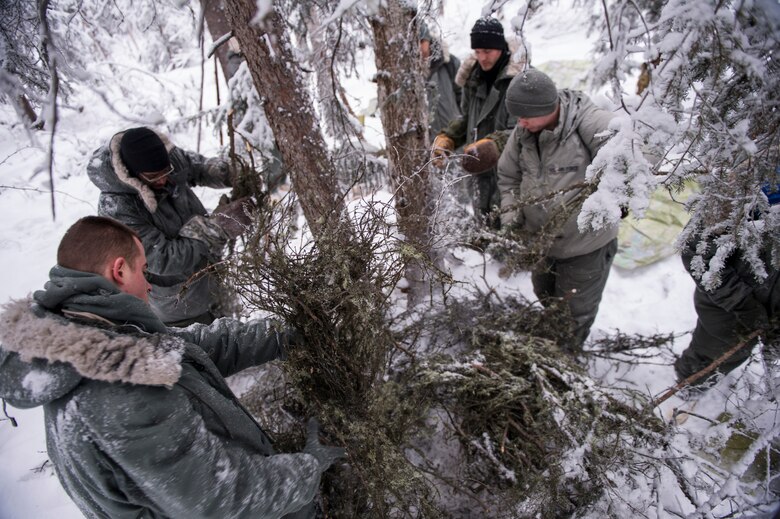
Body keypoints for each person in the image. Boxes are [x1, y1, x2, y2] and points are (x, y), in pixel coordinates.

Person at [0, 216, 344, 518]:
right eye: (143, 269)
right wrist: (308, 469)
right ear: (119, 270)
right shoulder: (119, 388)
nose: (149, 283)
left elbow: (192, 348)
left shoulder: (85, 334)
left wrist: (285, 333)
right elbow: (220, 499)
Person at [497, 69, 618, 351]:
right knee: (546, 296)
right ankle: (552, 347)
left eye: (526, 116)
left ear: (548, 108)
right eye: (518, 116)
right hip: (543, 243)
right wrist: (512, 217)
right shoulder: (524, 131)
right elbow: (508, 177)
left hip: (586, 246)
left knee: (573, 315)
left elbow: (636, 152)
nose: (520, 123)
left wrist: (615, 198)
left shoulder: (588, 121)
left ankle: (564, 363)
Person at [87, 126, 252, 327]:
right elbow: (162, 258)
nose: (164, 180)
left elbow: (196, 167)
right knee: (207, 350)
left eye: (167, 171)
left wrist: (229, 174)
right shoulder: (116, 209)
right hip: (180, 305)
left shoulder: (166, 157)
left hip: (211, 277)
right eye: (154, 176)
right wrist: (215, 229)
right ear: (133, 174)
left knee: (233, 334)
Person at [430, 16, 525, 229]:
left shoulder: (520, 80)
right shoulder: (473, 78)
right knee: (483, 224)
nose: (482, 57)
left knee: (510, 229)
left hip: (511, 174)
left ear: (501, 47)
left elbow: (525, 128)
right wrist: (448, 137)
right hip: (479, 171)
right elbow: (466, 117)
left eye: (488, 51)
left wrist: (494, 144)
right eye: (478, 51)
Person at [675, 220, 779, 391]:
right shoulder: (747, 196)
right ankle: (688, 389)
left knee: (736, 353)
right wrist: (741, 303)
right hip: (725, 303)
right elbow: (696, 248)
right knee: (712, 351)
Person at [419, 23, 462, 136]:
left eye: (422, 41)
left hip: (454, 137)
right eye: (414, 43)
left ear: (429, 40)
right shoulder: (409, 73)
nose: (419, 48)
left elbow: (462, 96)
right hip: (427, 140)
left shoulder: (450, 63)